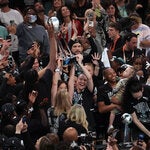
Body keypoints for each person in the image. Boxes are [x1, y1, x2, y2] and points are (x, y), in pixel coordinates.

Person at [108, 65, 135, 132]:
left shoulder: (122, 81)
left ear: (131, 74)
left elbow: (116, 89)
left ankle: (110, 125)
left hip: (119, 97)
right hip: (125, 99)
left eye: (126, 71)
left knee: (112, 112)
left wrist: (113, 91)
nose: (124, 72)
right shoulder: (131, 81)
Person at [122, 76, 150, 141]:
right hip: (138, 126)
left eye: (139, 96)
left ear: (142, 89)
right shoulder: (127, 98)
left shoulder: (148, 90)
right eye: (135, 97)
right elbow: (135, 120)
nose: (138, 99)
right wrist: (148, 133)